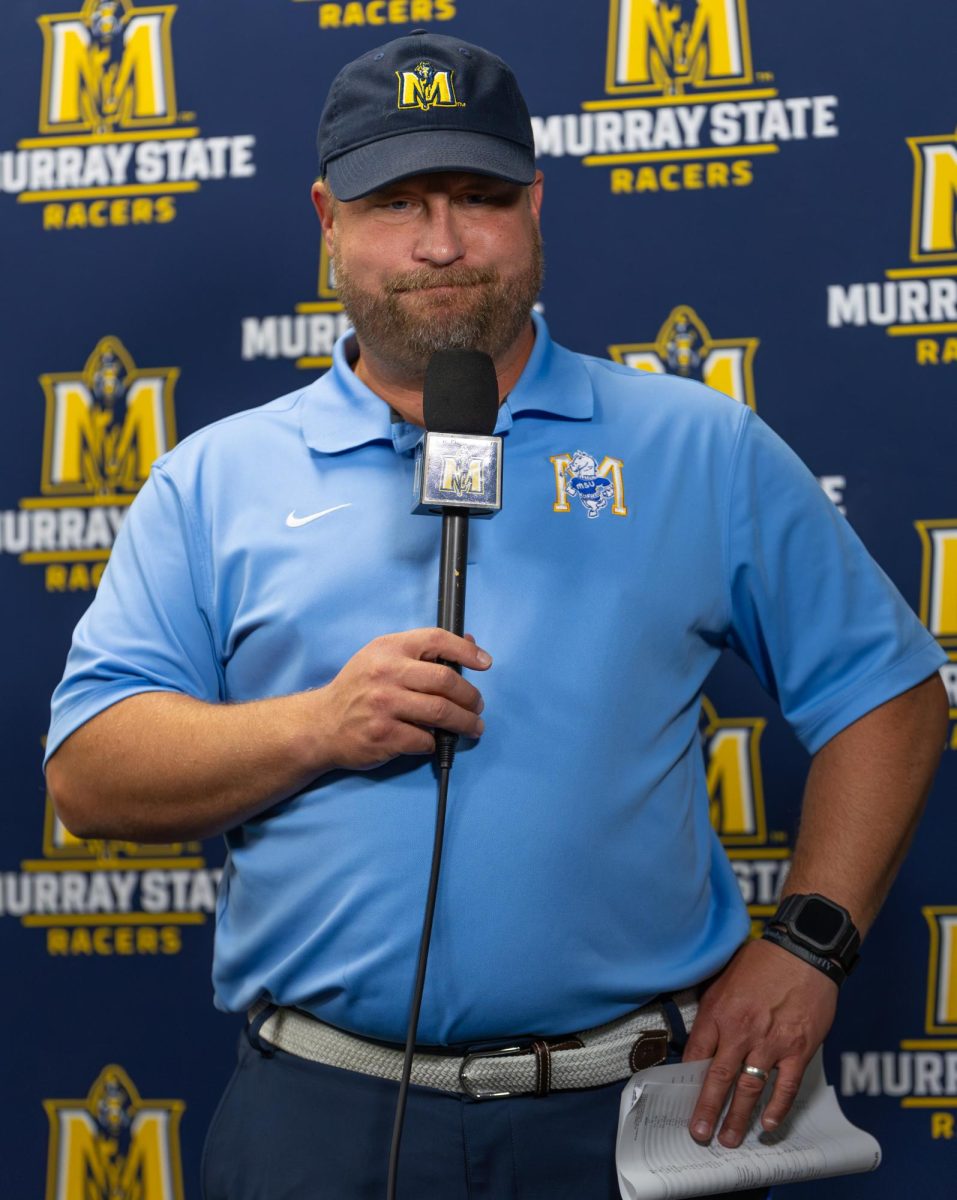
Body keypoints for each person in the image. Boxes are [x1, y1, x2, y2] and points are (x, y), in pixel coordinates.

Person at [45, 29, 947, 1200]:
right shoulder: (214, 479)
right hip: (321, 1118)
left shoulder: (696, 443)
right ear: (328, 219)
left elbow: (889, 693)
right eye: (395, 202)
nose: (441, 241)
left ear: (536, 208)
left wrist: (811, 946)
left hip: (633, 1116)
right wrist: (320, 723)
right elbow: (91, 773)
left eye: (479, 196)